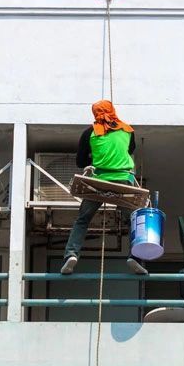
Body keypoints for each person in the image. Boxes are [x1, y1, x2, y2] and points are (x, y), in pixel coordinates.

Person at [60, 100, 137, 275]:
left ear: (95, 114)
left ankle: (71, 255)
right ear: (113, 111)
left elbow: (80, 162)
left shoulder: (89, 133)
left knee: (82, 220)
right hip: (123, 179)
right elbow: (130, 150)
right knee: (133, 221)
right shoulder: (128, 130)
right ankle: (135, 256)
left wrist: (95, 160)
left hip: (98, 181)